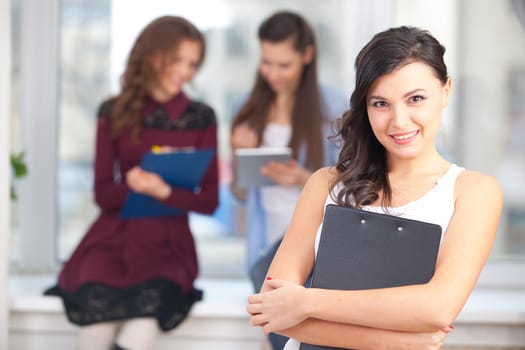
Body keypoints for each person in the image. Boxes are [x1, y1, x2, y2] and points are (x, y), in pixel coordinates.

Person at [246, 26, 504, 349]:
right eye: (380, 103)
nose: (399, 121)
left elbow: (437, 307)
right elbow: (271, 310)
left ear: (446, 90)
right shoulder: (326, 185)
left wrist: (307, 303)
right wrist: (397, 341)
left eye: (416, 99)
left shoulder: (473, 192)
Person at [44, 16, 218, 350]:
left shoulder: (201, 116)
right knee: (95, 329)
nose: (185, 71)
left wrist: (164, 191)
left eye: (193, 63)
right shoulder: (113, 111)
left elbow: (209, 201)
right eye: (177, 59)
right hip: (113, 239)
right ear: (152, 56)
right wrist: (133, 186)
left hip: (167, 244)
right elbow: (102, 193)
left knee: (142, 327)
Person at [229, 11, 347, 349]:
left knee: (308, 340)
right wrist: (239, 158)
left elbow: (350, 192)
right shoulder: (246, 107)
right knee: (285, 340)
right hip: (264, 246)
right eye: (266, 63)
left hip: (313, 248)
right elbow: (239, 195)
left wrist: (301, 178)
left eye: (284, 65)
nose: (273, 74)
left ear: (307, 56)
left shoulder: (333, 107)